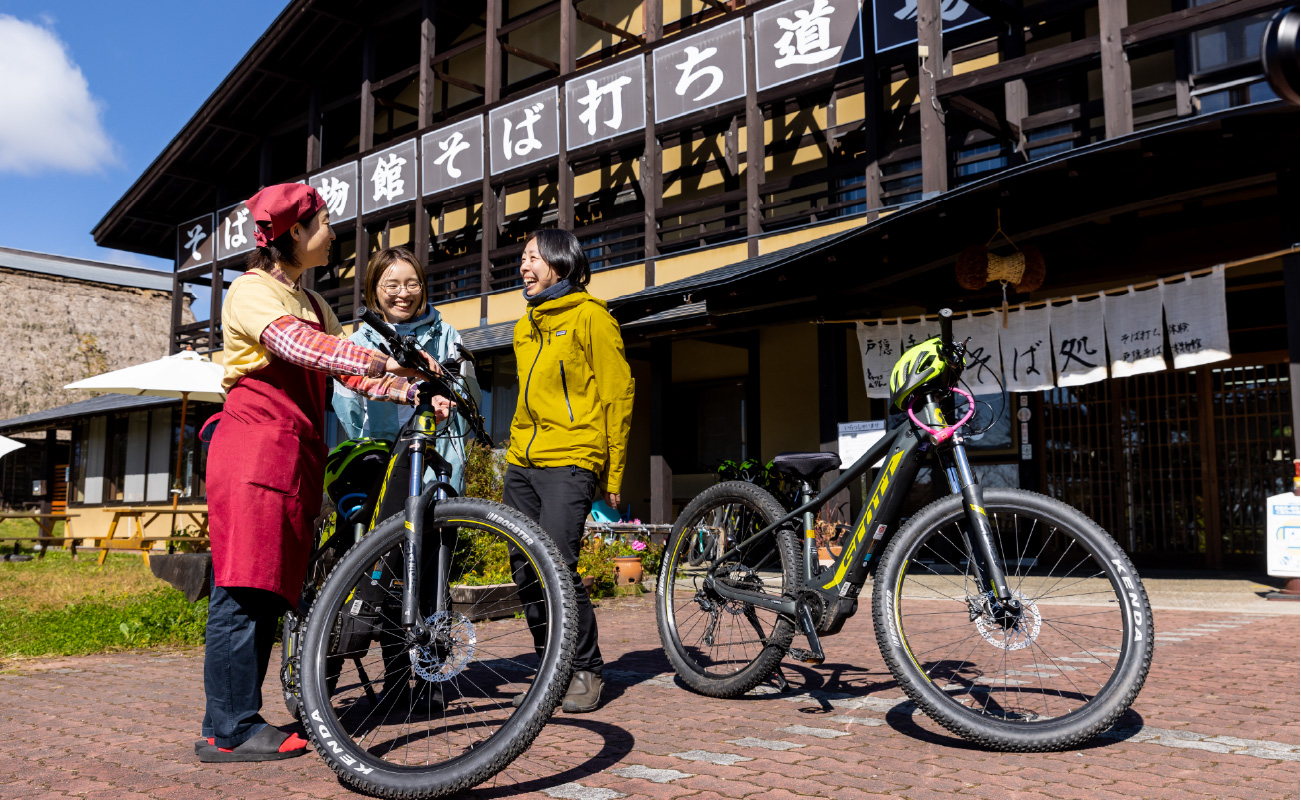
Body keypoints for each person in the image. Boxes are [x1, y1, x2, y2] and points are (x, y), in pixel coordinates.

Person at [197, 184, 447, 762]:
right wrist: (387, 359)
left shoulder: (313, 303)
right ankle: (227, 728)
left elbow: (349, 371)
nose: (332, 233)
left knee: (271, 588)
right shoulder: (253, 292)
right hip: (255, 448)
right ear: (292, 234)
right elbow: (302, 348)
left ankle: (235, 720)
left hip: (294, 456)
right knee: (242, 589)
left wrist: (411, 389)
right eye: (325, 223)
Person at [330, 245, 481, 707]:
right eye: (391, 284)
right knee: (387, 573)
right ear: (373, 288)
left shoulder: (446, 332)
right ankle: (398, 677)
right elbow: (347, 406)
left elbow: (466, 394)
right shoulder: (360, 340)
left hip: (436, 466)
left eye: (411, 283)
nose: (403, 293)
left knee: (432, 574)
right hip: (383, 467)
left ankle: (432, 679)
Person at [505, 229, 634, 714]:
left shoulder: (592, 319)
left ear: (560, 263)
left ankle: (585, 667)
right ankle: (549, 665)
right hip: (523, 461)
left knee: (556, 564)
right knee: (525, 570)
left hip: (572, 458)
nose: (523, 266)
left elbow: (618, 397)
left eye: (532, 257)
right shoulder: (525, 325)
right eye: (521, 258)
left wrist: (614, 473)